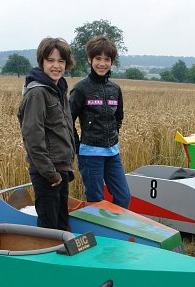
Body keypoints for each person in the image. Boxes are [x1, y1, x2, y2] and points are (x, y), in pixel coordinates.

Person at [17, 37, 76, 230]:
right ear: (41, 62)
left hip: (60, 170)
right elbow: (33, 137)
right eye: (50, 60)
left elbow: (64, 129)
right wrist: (51, 174)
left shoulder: (58, 90)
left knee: (61, 225)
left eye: (61, 61)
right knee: (49, 228)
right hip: (47, 174)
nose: (56, 66)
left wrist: (67, 166)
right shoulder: (38, 93)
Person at [70, 35, 131, 208]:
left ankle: (115, 225)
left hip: (112, 153)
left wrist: (112, 136)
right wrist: (78, 147)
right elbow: (67, 120)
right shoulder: (81, 88)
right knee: (96, 201)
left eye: (107, 59)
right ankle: (95, 227)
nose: (102, 63)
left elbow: (118, 117)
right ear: (90, 59)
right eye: (98, 58)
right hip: (90, 154)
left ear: (112, 62)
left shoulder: (115, 89)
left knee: (124, 197)